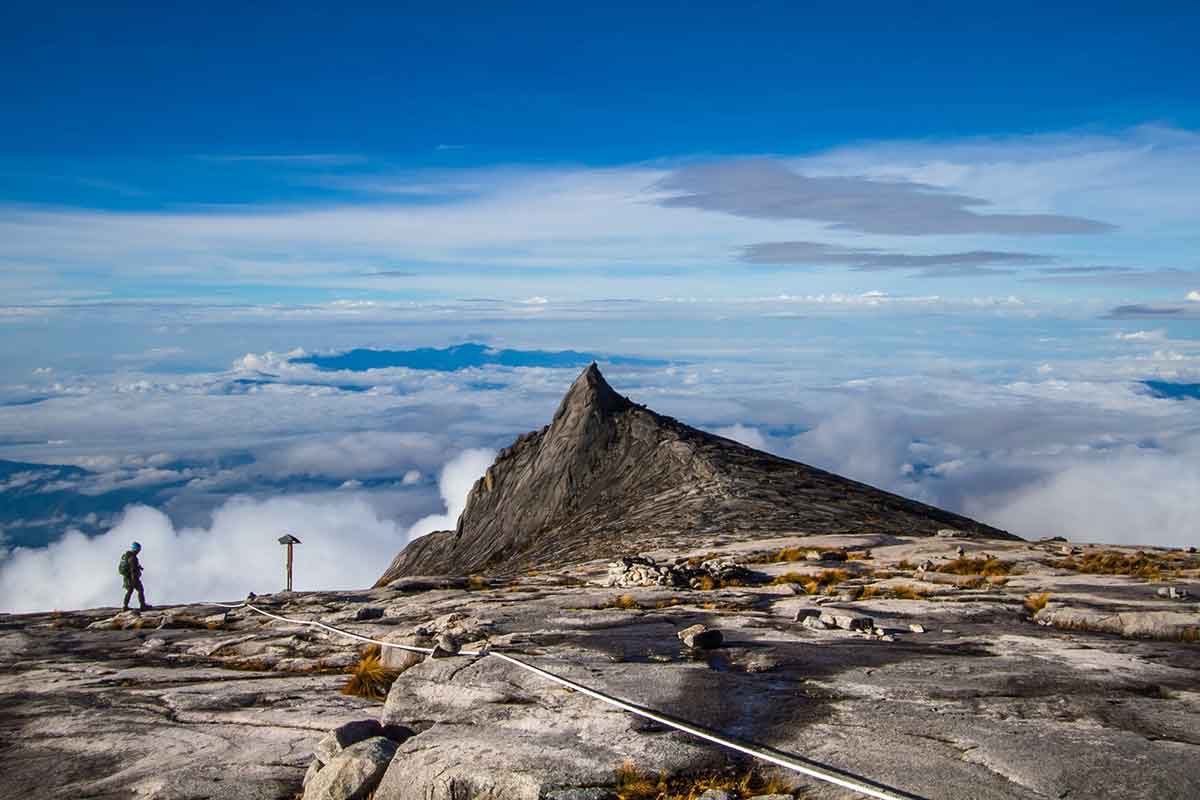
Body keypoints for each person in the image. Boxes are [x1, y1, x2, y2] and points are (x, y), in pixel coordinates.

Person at [118, 541, 151, 612]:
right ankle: (143, 606)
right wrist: (134, 579)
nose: (139, 551)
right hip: (132, 578)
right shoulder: (133, 558)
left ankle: (125, 606)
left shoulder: (127, 556)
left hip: (127, 578)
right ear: (137, 549)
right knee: (140, 590)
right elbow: (133, 569)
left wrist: (139, 567)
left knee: (130, 591)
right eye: (139, 549)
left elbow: (132, 566)